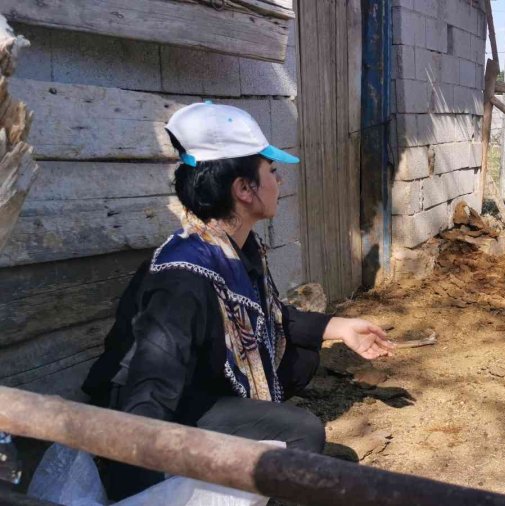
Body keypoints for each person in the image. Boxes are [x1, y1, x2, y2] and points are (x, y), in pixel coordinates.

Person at [81, 102, 395, 500]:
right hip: (151, 407)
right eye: (271, 171)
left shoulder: (236, 248)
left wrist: (342, 328)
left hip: (196, 384)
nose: (279, 181)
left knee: (301, 359)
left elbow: (271, 317)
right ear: (243, 189)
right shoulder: (184, 275)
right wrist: (136, 493)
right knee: (302, 430)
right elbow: (148, 395)